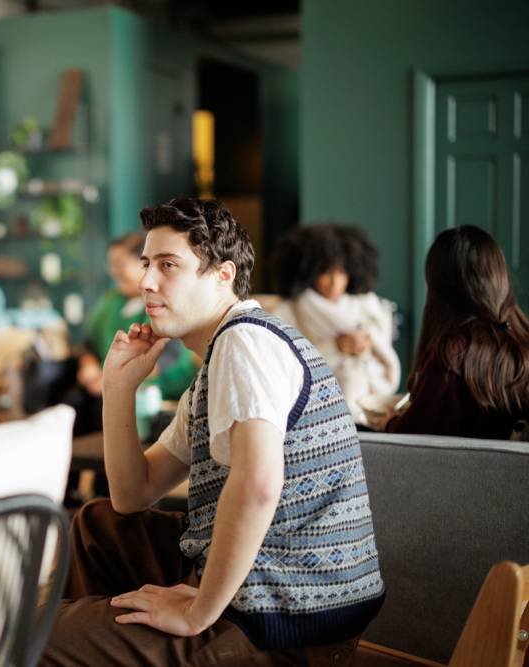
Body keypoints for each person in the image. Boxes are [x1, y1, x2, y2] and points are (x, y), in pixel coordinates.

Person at [41, 198, 385, 666]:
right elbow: (131, 494)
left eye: (168, 265)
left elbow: (259, 483)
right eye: (146, 264)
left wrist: (197, 612)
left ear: (223, 274)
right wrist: (118, 389)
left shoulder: (245, 342)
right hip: (277, 592)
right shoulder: (221, 357)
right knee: (99, 525)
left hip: (290, 620)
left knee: (38, 638)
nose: (146, 281)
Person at [372, 225, 529, 439]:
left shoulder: (452, 354)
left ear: (436, 288)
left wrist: (388, 422)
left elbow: (413, 437)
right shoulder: (522, 339)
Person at [67, 232, 199, 436]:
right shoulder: (109, 300)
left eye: (120, 265)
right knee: (72, 403)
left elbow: (166, 358)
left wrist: (111, 380)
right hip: (103, 380)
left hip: (154, 380)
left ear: (144, 265)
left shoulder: (165, 301)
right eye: (110, 265)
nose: (113, 272)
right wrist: (89, 367)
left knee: (102, 406)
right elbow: (88, 343)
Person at [268, 223, 400, 424]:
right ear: (308, 270)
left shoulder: (366, 305)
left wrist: (367, 347)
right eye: (327, 271)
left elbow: (386, 367)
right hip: (310, 412)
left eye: (342, 272)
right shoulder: (287, 311)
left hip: (369, 406)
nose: (335, 282)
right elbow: (284, 369)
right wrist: (334, 348)